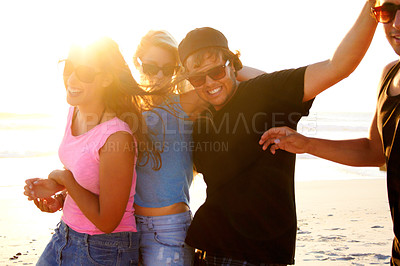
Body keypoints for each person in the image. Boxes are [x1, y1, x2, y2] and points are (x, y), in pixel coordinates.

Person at [177, 1, 378, 265]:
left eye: (216, 71)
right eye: (198, 79)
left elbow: (338, 66)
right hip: (208, 249)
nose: (210, 84)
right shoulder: (199, 116)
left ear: (232, 63)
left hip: (261, 255)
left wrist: (374, 7)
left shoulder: (265, 93)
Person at [259, 0, 400, 264]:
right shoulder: (389, 74)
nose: (397, 24)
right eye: (387, 11)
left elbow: (338, 65)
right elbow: (375, 151)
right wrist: (307, 144)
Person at [132, 30, 265, 265]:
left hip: (169, 232)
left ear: (178, 71)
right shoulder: (130, 106)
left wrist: (226, 64)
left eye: (169, 69)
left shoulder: (185, 103)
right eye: (151, 68)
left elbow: (265, 83)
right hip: (128, 230)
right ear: (139, 64)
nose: (160, 76)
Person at [23, 37, 161, 265]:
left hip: (104, 248)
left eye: (85, 72)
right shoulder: (74, 111)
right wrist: (59, 195)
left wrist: (63, 178)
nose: (72, 78)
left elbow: (107, 222)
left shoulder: (117, 137)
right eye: (69, 68)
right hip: (64, 233)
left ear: (107, 79)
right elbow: (86, 175)